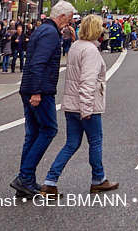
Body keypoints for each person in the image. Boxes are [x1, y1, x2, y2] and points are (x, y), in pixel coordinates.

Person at [40, 15, 117, 195]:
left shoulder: (75, 47)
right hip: (85, 105)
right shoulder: (91, 51)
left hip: (71, 104)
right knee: (95, 142)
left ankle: (50, 180)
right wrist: (87, 108)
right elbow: (87, 81)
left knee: (71, 143)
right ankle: (99, 179)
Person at [11, 1, 76, 198]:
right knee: (48, 130)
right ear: (62, 16)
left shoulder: (43, 30)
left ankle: (26, 181)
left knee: (32, 134)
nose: (72, 21)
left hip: (30, 87)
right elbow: (39, 62)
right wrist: (37, 91)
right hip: (40, 90)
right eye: (70, 17)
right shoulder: (49, 33)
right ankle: (24, 177)